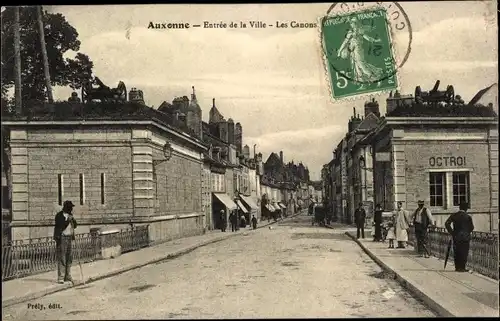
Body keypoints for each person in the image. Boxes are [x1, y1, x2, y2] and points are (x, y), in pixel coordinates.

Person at [445, 202, 474, 272]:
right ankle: (462, 267)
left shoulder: (454, 215)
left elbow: (447, 223)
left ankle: (457, 267)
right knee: (464, 252)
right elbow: (472, 227)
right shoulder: (468, 217)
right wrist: (467, 232)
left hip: (456, 236)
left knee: (457, 252)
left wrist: (452, 232)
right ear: (466, 209)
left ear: (460, 208)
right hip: (465, 237)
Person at [53, 200, 78, 284]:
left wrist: (73, 220)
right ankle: (61, 277)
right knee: (62, 258)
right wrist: (68, 220)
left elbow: (75, 226)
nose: (71, 209)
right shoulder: (59, 216)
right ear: (66, 208)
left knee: (69, 258)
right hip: (62, 238)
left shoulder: (70, 215)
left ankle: (67, 276)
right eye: (70, 207)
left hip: (69, 238)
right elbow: (61, 226)